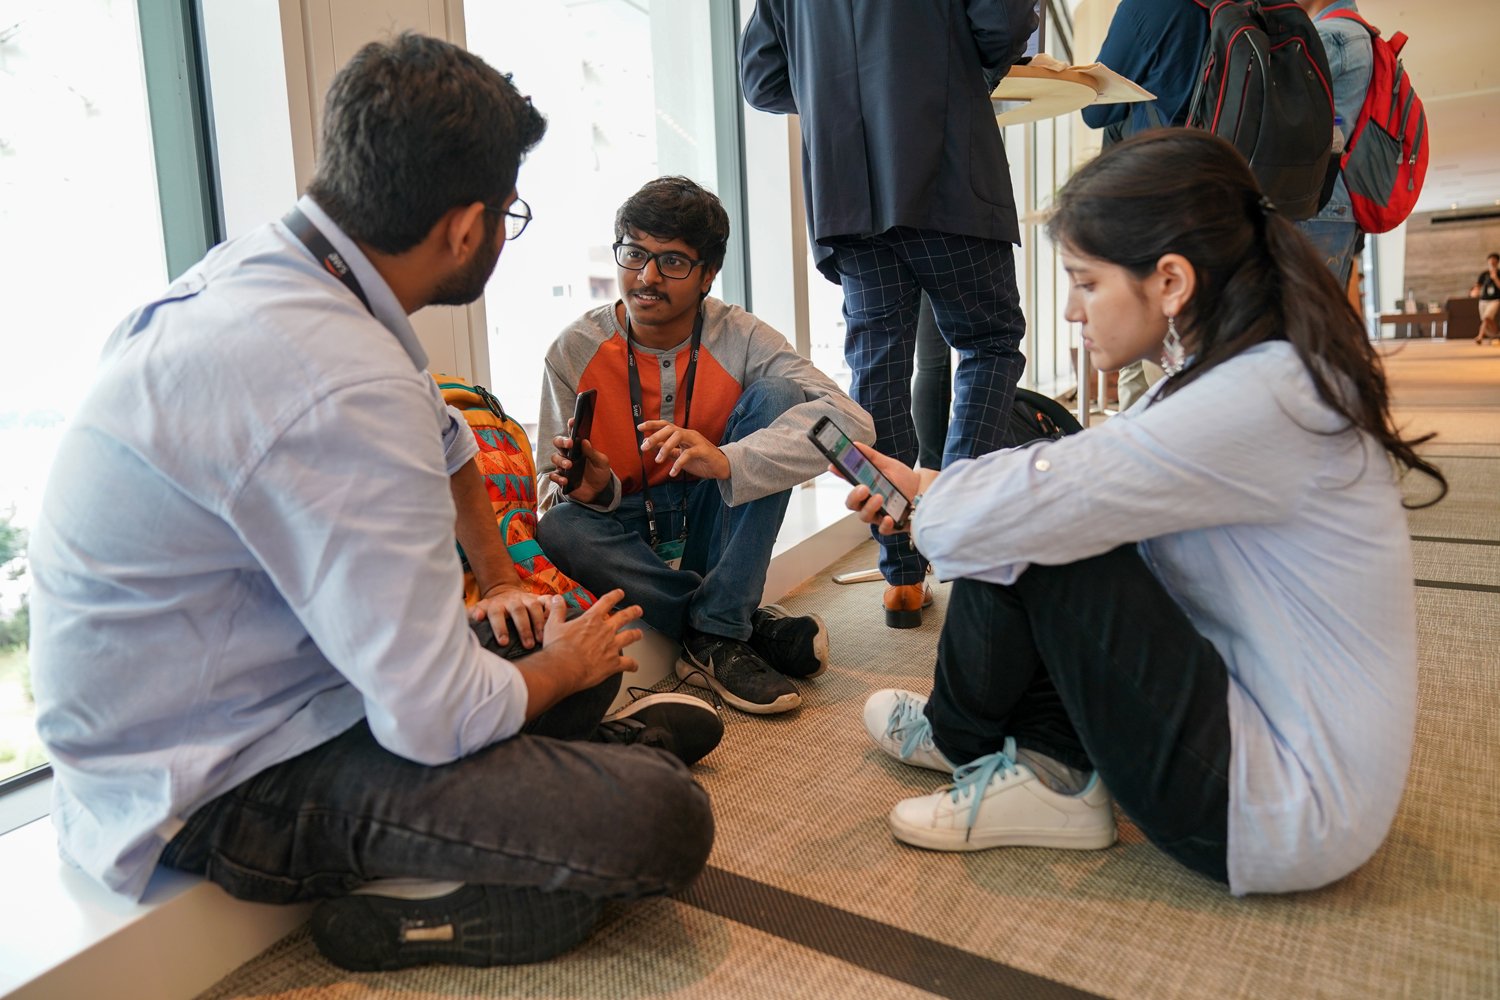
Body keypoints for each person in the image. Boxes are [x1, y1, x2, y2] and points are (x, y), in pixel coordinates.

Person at [28, 34, 717, 972]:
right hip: (208, 785)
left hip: (270, 685)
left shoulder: (294, 275)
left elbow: (453, 449)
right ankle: (457, 904)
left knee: (560, 636)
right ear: (465, 229)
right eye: (508, 215)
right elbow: (428, 715)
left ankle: (578, 752)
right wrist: (549, 672)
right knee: (665, 817)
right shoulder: (344, 384)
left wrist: (510, 592)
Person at [845, 130, 1447, 894]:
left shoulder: (1260, 395)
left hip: (1275, 814)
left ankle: (1000, 752)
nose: (1069, 311)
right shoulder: (1246, 368)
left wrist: (930, 497)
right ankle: (1027, 755)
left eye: (1085, 282)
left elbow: (1030, 505)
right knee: (1031, 471)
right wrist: (928, 484)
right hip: (1251, 720)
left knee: (1033, 507)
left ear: (1170, 281)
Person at [740, 0, 1037, 628]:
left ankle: (901, 571)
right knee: (989, 342)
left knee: (876, 373)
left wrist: (838, 93)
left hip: (846, 190)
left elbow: (762, 81)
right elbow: (1004, 28)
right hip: (947, 170)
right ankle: (958, 525)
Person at [536, 176, 873, 716]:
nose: (646, 277)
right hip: (625, 527)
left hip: (713, 513)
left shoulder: (739, 335)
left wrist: (730, 459)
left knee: (779, 397)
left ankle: (718, 627)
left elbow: (853, 425)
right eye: (634, 253)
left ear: (707, 274)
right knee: (559, 525)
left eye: (671, 262)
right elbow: (544, 496)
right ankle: (731, 626)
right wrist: (594, 491)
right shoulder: (574, 348)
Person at [1080, 0, 1210, 411]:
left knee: (1158, 336)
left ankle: (1162, 454)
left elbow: (1096, 108)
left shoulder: (1148, 6)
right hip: (1221, 183)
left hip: (1156, 189)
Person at [1294, 0, 1375, 291]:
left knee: (1301, 325)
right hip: (1333, 204)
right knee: (1316, 324)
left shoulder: (1331, 35)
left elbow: (1286, 111)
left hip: (1313, 205)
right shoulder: (1354, 31)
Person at [1471, 252, 1500, 345]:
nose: (1492, 262)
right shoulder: (1484, 274)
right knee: (1486, 319)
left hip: (1495, 299)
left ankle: (1480, 336)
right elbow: (1478, 285)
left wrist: (1495, 278)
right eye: (1490, 260)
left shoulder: (1499, 273)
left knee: (1487, 317)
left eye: (1494, 260)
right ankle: (1496, 334)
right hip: (1484, 299)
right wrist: (1474, 291)